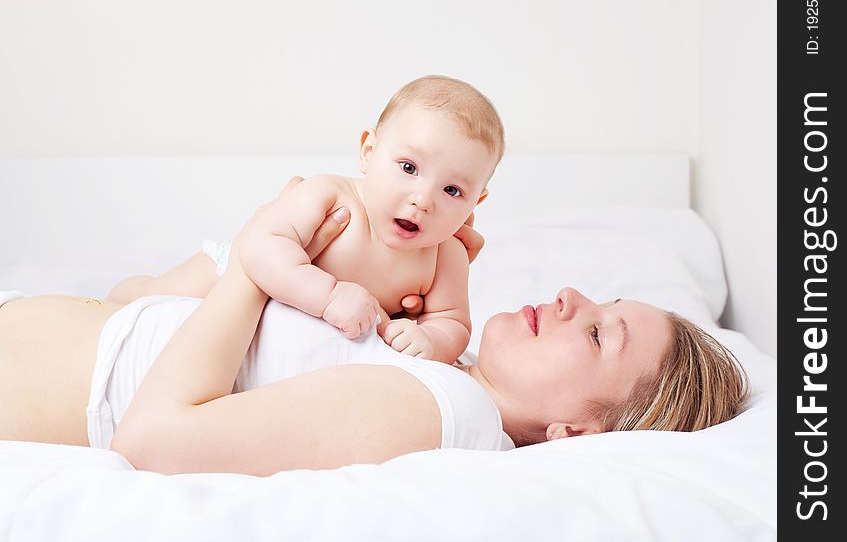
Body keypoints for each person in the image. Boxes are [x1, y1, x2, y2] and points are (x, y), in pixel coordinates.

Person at [0, 199, 748, 476]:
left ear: (575, 433)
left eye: (596, 333)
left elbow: (154, 442)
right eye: (599, 299)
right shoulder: (434, 360)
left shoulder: (444, 410)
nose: (569, 296)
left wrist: (259, 266)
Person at [107, 75, 506, 365]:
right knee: (149, 303)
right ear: (368, 151)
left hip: (268, 338)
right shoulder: (331, 196)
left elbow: (452, 322)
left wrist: (430, 340)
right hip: (225, 279)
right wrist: (329, 297)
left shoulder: (445, 255)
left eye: (452, 191)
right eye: (408, 167)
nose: (423, 200)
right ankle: (118, 295)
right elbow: (260, 246)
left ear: (477, 201)